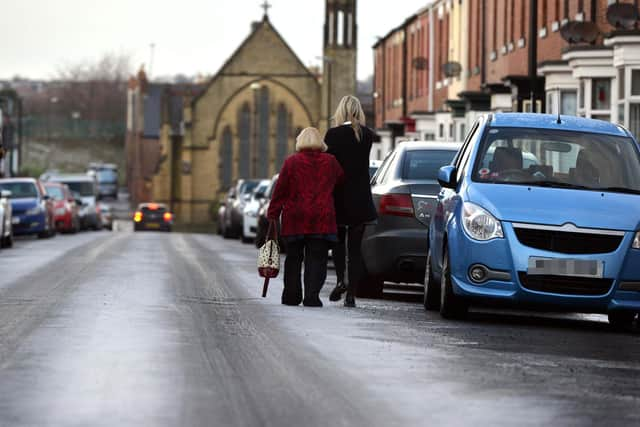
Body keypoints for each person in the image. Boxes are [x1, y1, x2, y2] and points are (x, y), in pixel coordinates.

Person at [267, 127, 344, 307]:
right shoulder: (331, 162)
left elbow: (280, 191)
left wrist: (272, 214)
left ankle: (292, 296)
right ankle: (312, 296)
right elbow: (341, 181)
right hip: (321, 217)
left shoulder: (291, 162)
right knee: (317, 258)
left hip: (295, 217)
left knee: (294, 258)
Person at [325, 95, 377, 308]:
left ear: (341, 111)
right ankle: (351, 295)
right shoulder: (367, 135)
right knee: (355, 251)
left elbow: (329, 166)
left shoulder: (333, 134)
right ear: (358, 111)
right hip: (361, 199)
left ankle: (340, 281)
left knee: (338, 246)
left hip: (339, 197)